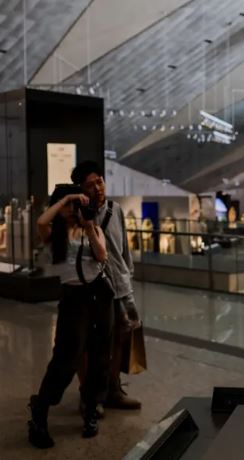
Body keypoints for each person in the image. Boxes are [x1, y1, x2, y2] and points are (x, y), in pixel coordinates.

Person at [28, 185, 113, 448]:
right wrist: (67, 197)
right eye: (67, 205)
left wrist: (89, 225)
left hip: (99, 296)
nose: (72, 209)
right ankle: (41, 408)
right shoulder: (53, 234)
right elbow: (41, 221)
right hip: (73, 299)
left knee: (99, 356)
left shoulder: (92, 228)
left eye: (75, 205)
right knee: (67, 356)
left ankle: (91, 410)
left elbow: (102, 255)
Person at [71, 161, 142, 414]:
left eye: (99, 182)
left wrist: (127, 276)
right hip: (92, 289)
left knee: (121, 337)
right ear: (81, 189)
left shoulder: (116, 209)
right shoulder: (75, 215)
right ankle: (88, 394)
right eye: (90, 185)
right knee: (87, 342)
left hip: (120, 286)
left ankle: (112, 389)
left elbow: (123, 249)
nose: (98, 188)